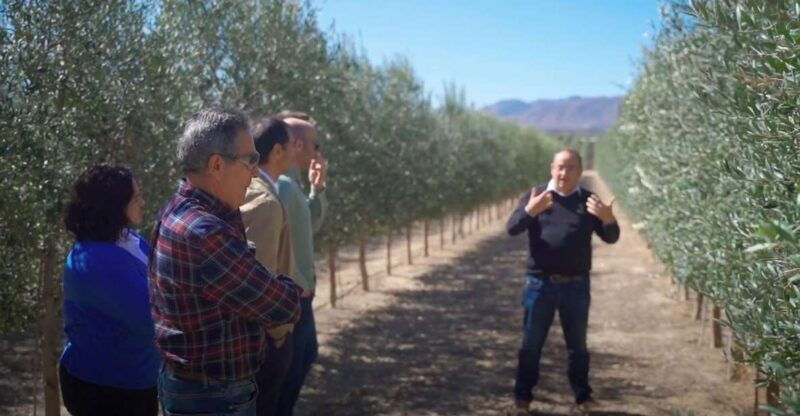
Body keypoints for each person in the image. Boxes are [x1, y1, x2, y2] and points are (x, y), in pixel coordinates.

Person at [149, 108, 301, 416]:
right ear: (217, 165)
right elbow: (282, 305)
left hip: (192, 388)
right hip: (215, 398)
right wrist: (285, 285)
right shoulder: (206, 234)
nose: (255, 173)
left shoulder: (178, 209)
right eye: (249, 161)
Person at [506, 149, 620, 414]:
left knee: (577, 347)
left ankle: (582, 398)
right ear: (551, 169)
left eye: (570, 168)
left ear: (580, 172)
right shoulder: (536, 196)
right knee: (531, 345)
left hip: (576, 287)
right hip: (539, 285)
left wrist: (608, 219)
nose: (563, 174)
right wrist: (529, 212)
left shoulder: (588, 200)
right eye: (559, 167)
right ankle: (522, 399)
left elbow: (611, 237)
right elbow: (512, 228)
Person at [60, 164, 161, 416]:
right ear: (115, 205)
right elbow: (151, 320)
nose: (143, 202)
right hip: (106, 389)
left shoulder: (128, 238)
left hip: (136, 379)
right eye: (136, 197)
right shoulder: (96, 260)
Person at [240, 117, 298, 416]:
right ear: (277, 151)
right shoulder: (265, 202)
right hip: (265, 339)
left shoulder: (258, 190)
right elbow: (261, 278)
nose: (296, 153)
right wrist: (278, 333)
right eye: (292, 147)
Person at [274, 113, 327, 416]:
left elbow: (309, 225)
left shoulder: (291, 185)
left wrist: (317, 189)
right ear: (296, 145)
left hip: (301, 294)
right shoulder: (280, 187)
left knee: (306, 356)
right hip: (292, 297)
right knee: (288, 371)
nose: (317, 153)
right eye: (314, 145)